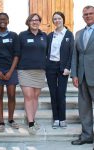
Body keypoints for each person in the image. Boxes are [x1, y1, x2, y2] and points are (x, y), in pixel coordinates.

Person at [17, 13, 47, 135]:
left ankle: (32, 120)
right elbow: (17, 52)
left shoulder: (44, 35)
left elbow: (48, 52)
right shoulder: (22, 35)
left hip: (40, 71)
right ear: (28, 22)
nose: (35, 22)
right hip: (25, 70)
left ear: (39, 22)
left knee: (35, 96)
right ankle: (30, 123)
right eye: (32, 20)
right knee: (28, 96)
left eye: (37, 20)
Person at [46, 12, 74, 129]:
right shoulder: (50, 35)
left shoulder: (69, 34)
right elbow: (46, 51)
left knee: (61, 93)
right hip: (51, 66)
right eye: (55, 19)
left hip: (63, 68)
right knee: (53, 93)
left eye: (59, 18)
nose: (57, 20)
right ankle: (56, 119)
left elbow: (71, 53)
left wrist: (68, 67)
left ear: (63, 19)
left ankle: (62, 118)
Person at [71, 5, 94, 145]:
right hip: (82, 76)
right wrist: (74, 74)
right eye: (85, 14)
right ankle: (87, 136)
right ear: (82, 16)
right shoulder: (78, 33)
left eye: (91, 13)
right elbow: (75, 55)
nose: (88, 16)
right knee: (84, 108)